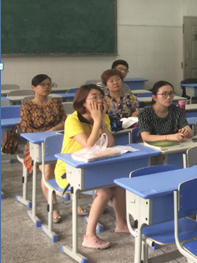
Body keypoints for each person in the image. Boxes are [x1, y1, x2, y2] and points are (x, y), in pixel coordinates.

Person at [54, 85, 128, 249]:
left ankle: (121, 224)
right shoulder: (72, 120)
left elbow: (109, 143)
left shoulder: (103, 117)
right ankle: (89, 236)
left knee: (119, 184)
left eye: (101, 96)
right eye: (94, 97)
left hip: (94, 167)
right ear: (82, 102)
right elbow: (88, 145)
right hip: (69, 171)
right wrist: (97, 121)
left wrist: (101, 121)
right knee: (105, 191)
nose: (99, 100)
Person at [20, 74, 67, 223]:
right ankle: (54, 208)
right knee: (48, 168)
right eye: (43, 84)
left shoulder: (56, 103)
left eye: (49, 84)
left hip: (58, 143)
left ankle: (75, 205)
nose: (47, 87)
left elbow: (65, 121)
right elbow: (26, 129)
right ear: (34, 88)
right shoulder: (27, 106)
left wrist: (52, 130)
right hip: (37, 146)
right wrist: (46, 134)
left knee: (71, 165)